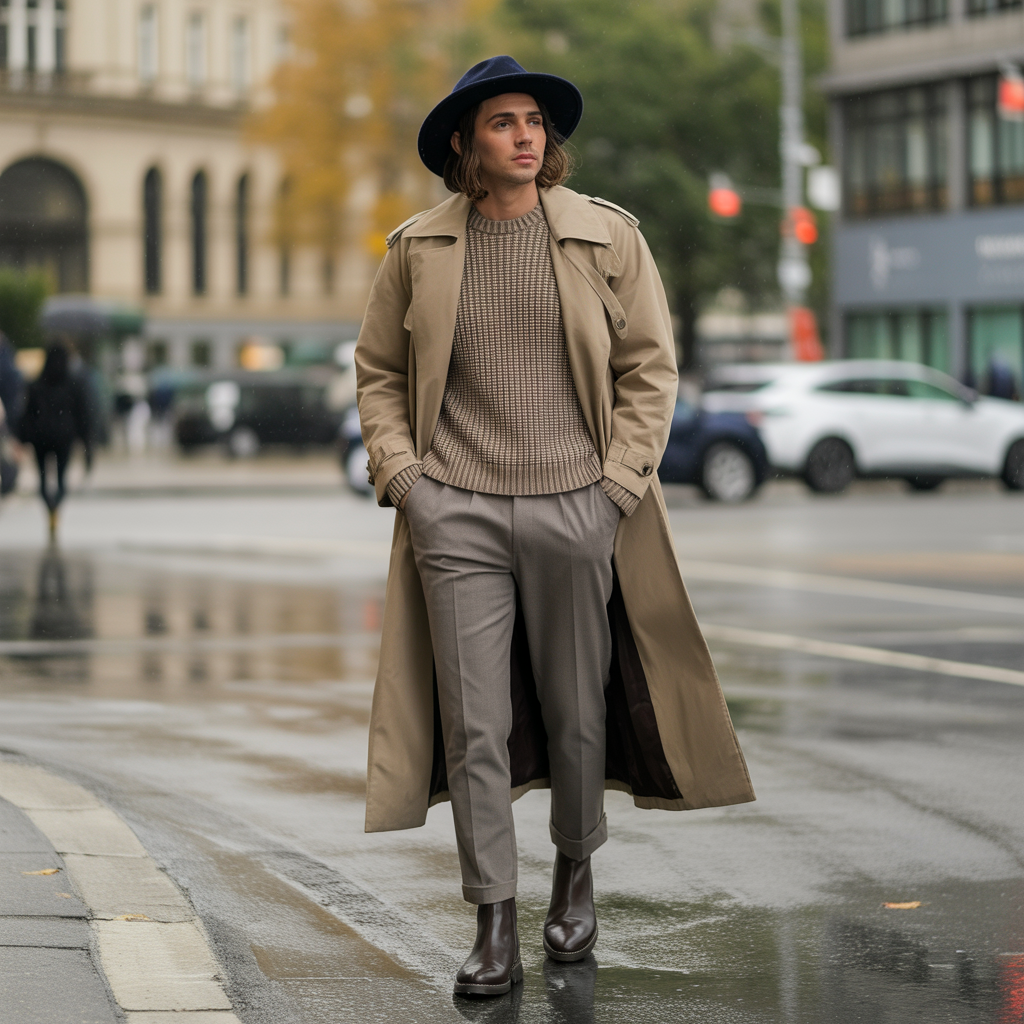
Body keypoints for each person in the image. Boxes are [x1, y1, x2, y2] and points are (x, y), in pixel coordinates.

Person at [355, 55, 754, 998]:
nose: (527, 137)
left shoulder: (605, 238)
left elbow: (651, 368)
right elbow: (376, 370)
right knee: (474, 728)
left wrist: (615, 486)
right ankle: (494, 916)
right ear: (465, 144)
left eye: (536, 121)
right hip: (456, 511)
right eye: (504, 123)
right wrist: (406, 476)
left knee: (579, 716)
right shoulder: (417, 249)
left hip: (577, 504)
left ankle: (575, 871)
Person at [17, 341, 91, 540]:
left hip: (40, 438)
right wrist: (87, 445)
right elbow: (83, 415)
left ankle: (50, 507)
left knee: (42, 482)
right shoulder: (73, 384)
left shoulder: (36, 384)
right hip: (63, 438)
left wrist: (23, 439)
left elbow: (26, 415)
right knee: (60, 481)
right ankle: (55, 507)